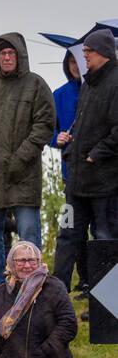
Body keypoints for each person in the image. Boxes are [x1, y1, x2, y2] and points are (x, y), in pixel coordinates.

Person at [0, 32, 55, 295]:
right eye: (2, 53)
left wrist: (20, 159)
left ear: (20, 56)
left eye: (11, 53)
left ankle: (31, 285)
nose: (6, 57)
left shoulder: (36, 85)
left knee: (28, 235)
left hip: (24, 175)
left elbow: (45, 125)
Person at [63, 30, 118, 296]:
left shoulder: (116, 82)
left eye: (88, 51)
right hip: (77, 180)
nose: (83, 56)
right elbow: (84, 127)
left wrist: (95, 154)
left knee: (105, 238)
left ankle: (106, 302)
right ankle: (56, 293)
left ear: (104, 53)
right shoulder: (87, 84)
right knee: (68, 235)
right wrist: (71, 148)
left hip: (105, 181)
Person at [50, 49, 87, 293]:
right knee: (71, 228)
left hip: (102, 176)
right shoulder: (59, 95)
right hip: (71, 176)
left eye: (79, 61)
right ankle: (59, 286)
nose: (75, 66)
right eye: (71, 61)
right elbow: (46, 130)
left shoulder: (102, 91)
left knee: (102, 231)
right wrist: (56, 137)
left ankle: (92, 282)